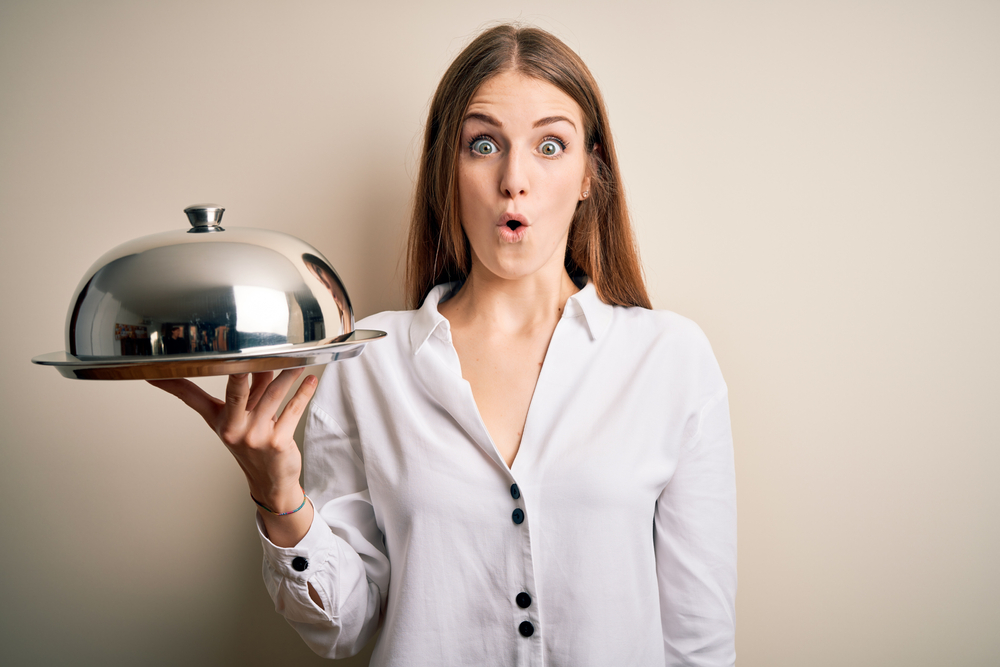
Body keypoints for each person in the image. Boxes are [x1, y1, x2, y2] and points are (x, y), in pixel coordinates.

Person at [151, 23, 736, 667]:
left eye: (550, 145)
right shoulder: (366, 363)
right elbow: (344, 628)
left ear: (588, 175)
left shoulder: (671, 359)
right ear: (446, 172)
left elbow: (698, 642)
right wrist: (277, 491)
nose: (514, 179)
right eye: (483, 145)